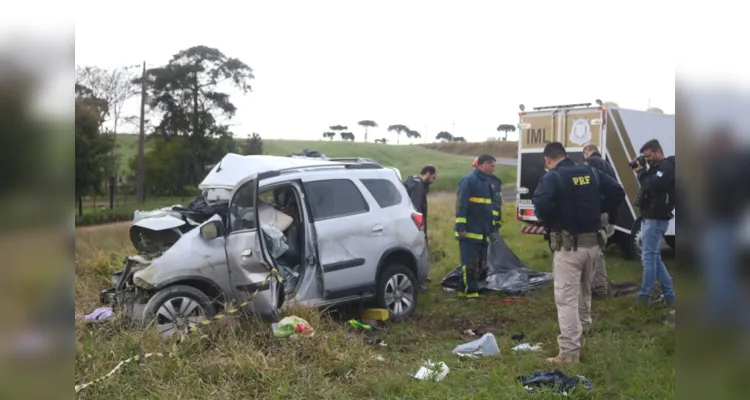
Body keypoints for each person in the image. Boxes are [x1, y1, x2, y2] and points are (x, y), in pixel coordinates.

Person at [532, 142, 625, 364]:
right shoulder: (591, 172)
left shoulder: (553, 178)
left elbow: (542, 207)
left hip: (569, 248)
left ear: (548, 159)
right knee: (584, 292)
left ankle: (569, 353)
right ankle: (584, 335)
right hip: (594, 246)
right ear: (565, 155)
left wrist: (557, 214)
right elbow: (618, 192)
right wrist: (599, 206)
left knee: (566, 299)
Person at [631, 139, 676, 305]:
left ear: (658, 152)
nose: (646, 159)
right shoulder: (656, 169)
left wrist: (640, 171)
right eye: (644, 157)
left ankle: (644, 297)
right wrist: (644, 169)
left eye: (648, 156)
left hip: (656, 219)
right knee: (654, 257)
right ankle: (669, 295)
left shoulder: (667, 167)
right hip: (650, 217)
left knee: (649, 258)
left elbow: (651, 185)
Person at [455, 154, 498, 299]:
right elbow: (461, 206)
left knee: (479, 264)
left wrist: (492, 228)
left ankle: (462, 289)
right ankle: (471, 292)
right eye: (492, 165)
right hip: (470, 231)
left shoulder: (488, 183)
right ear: (484, 164)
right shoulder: (468, 181)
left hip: (483, 231)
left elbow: (490, 209)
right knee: (469, 263)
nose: (493, 168)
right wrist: (460, 227)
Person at [582, 143, 617, 299]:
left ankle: (599, 287)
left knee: (596, 248)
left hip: (598, 213)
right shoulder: (606, 165)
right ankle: (598, 285)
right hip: (607, 213)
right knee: (598, 248)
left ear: (587, 152)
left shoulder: (592, 164)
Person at [403, 165, 437, 291]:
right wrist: (420, 228)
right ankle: (418, 282)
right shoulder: (418, 187)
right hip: (416, 226)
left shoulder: (413, 182)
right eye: (433, 177)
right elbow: (417, 208)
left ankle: (420, 277)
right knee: (419, 253)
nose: (434, 180)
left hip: (410, 225)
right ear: (428, 174)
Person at [473, 157, 503, 233]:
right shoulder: (474, 180)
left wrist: (495, 218)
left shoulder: (493, 181)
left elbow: (497, 201)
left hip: (489, 219)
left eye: (476, 168)